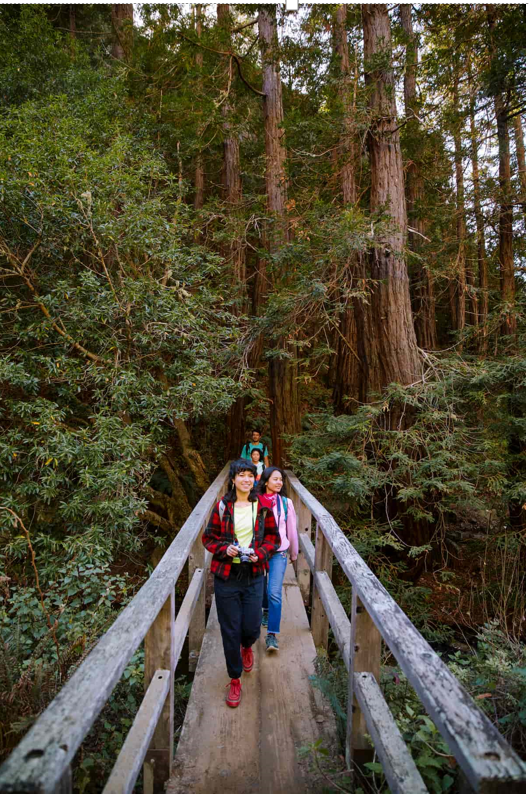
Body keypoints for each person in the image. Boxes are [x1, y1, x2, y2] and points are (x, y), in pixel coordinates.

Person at [202, 459, 280, 708]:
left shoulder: (263, 507)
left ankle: (248, 645)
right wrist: (226, 548)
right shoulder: (223, 507)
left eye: (250, 475)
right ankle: (235, 679)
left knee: (251, 626)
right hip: (227, 577)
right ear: (233, 479)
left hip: (254, 574)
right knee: (230, 630)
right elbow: (208, 538)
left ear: (255, 479)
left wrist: (263, 553)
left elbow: (273, 539)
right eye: (241, 475)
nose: (246, 479)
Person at [256, 466, 298, 653]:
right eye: (275, 479)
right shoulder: (254, 502)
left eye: (281, 479)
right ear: (266, 481)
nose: (279, 482)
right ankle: (265, 610)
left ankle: (271, 635)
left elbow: (292, 530)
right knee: (261, 586)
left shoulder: (286, 503)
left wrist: (294, 553)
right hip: (257, 552)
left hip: (279, 552)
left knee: (274, 591)